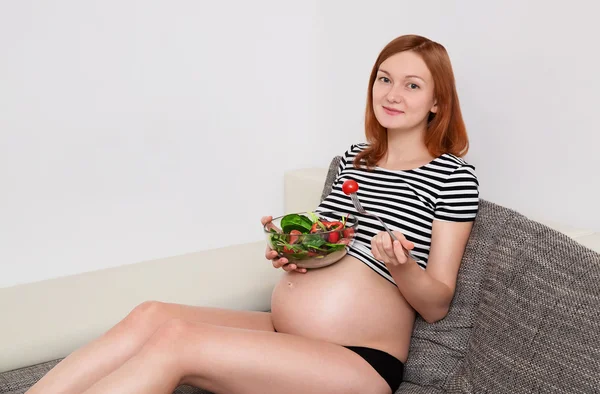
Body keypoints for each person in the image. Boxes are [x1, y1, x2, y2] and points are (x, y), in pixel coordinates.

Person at [26, 34, 479, 394]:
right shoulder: (351, 159)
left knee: (178, 342)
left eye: (412, 85)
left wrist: (400, 266)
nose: (392, 94)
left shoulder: (452, 177)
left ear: (437, 102)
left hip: (357, 359)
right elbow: (329, 244)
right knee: (151, 316)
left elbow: (436, 304)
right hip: (288, 333)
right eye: (384, 79)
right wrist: (294, 252)